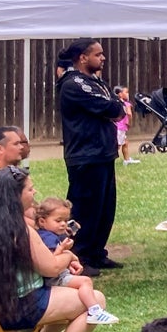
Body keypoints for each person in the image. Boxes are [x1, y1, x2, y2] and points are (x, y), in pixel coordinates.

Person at [0, 169, 109, 332]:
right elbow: (52, 268)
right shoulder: (20, 231)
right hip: (18, 309)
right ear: (16, 195)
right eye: (30, 189)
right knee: (96, 300)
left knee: (68, 298)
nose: (35, 192)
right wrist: (68, 256)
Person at [58, 39, 124, 271]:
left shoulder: (97, 82)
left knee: (104, 208)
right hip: (85, 155)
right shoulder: (74, 83)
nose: (103, 58)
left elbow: (118, 108)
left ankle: (96, 252)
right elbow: (112, 108)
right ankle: (79, 256)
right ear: (83, 57)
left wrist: (115, 107)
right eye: (98, 54)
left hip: (103, 153)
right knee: (84, 209)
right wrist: (114, 107)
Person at [32, 197, 117, 328]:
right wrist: (63, 250)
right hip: (54, 278)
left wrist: (67, 232)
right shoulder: (48, 238)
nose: (63, 224)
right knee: (85, 281)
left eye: (65, 220)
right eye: (58, 221)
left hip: (55, 276)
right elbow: (50, 261)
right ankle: (94, 310)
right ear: (42, 221)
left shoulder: (47, 233)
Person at [113, 85, 138, 165]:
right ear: (120, 94)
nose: (128, 94)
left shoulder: (116, 103)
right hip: (121, 127)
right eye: (126, 92)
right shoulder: (126, 104)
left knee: (125, 143)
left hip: (117, 126)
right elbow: (129, 114)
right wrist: (129, 123)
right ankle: (108, 160)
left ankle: (127, 160)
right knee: (117, 146)